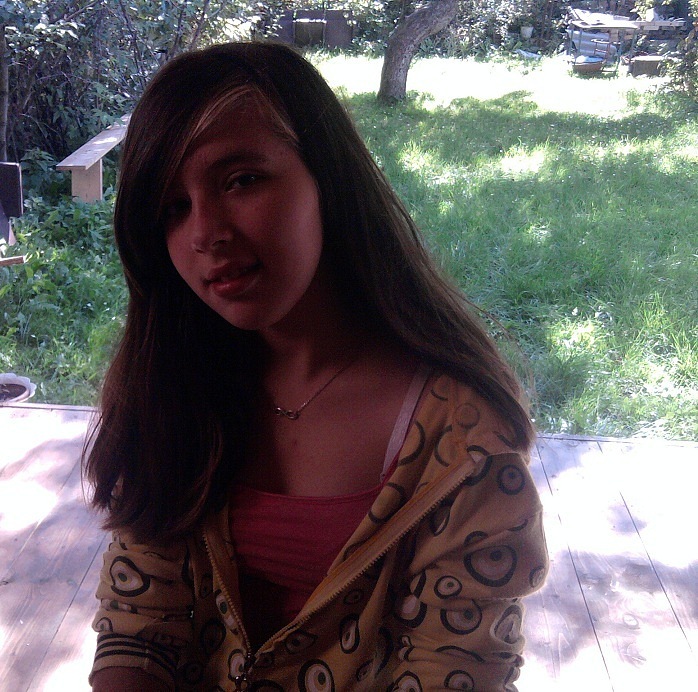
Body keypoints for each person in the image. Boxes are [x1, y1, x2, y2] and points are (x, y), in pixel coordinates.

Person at [84, 41, 548, 692]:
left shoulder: (463, 445)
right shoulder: (172, 383)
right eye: (172, 208)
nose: (205, 233)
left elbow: (454, 668)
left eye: (241, 180)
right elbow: (140, 623)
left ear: (327, 177)